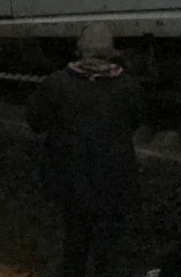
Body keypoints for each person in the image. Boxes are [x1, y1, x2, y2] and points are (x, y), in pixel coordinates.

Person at [26, 23, 145, 277]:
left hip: (70, 182)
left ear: (79, 51)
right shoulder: (128, 86)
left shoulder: (57, 84)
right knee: (109, 250)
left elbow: (35, 121)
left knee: (74, 245)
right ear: (111, 52)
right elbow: (136, 120)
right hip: (115, 181)